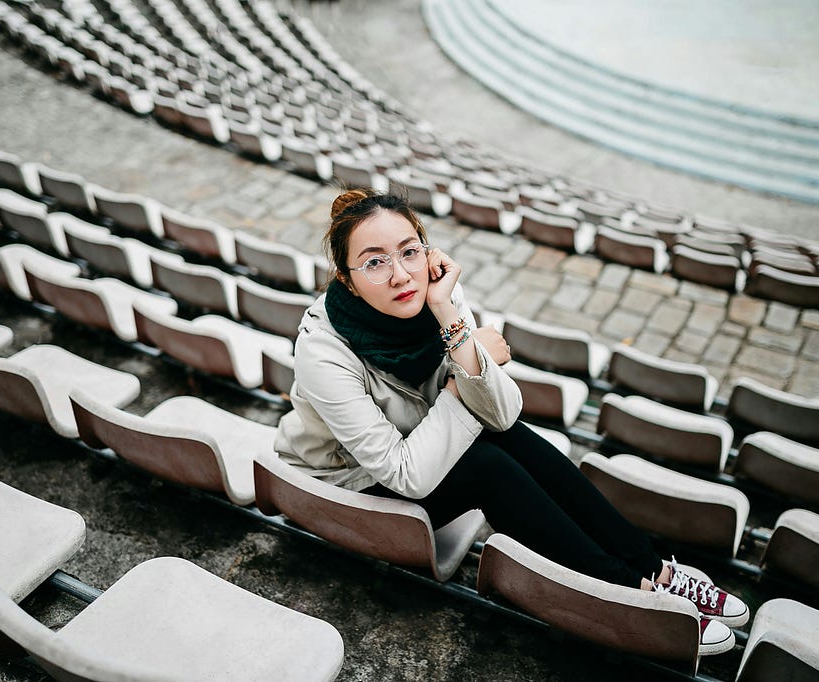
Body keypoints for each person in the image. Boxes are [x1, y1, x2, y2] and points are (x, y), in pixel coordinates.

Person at [274, 188, 748, 653]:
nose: (401, 275)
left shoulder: (438, 294)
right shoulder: (322, 351)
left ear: (427, 251)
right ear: (346, 278)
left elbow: (502, 413)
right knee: (487, 467)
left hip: (421, 443)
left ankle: (654, 570)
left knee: (509, 437)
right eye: (375, 261)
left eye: (409, 252)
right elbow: (405, 474)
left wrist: (450, 320)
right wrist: (463, 382)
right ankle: (623, 593)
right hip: (346, 484)